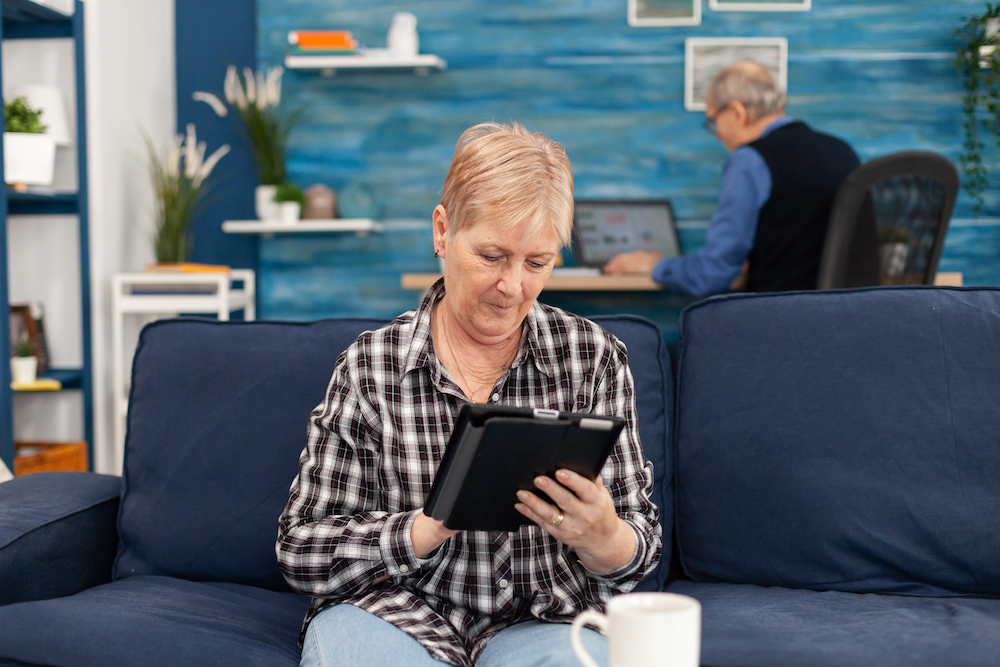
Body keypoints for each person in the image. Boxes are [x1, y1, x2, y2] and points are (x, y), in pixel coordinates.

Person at [276, 121, 662, 667]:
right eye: (491, 256)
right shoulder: (370, 367)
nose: (512, 286)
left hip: (544, 622)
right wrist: (422, 529)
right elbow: (299, 550)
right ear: (442, 231)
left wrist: (602, 536)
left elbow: (638, 552)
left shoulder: (593, 357)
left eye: (537, 262)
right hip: (393, 613)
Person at [604, 61, 861, 296]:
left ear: (737, 113)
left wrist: (652, 263)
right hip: (840, 322)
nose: (717, 135)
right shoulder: (843, 151)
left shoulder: (749, 160)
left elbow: (712, 275)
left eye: (713, 121)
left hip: (777, 320)